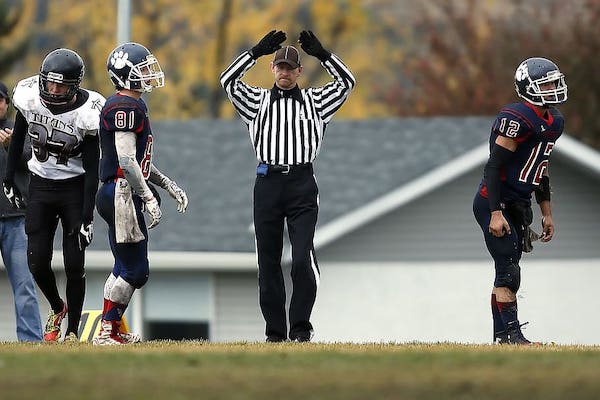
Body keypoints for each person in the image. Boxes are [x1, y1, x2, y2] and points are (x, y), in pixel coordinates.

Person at [220, 30, 355, 342]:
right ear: (273, 69)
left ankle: (300, 330)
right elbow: (228, 81)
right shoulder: (257, 101)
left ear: (299, 71)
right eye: (279, 67)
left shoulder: (316, 101)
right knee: (267, 262)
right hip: (267, 183)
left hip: (301, 184)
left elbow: (347, 83)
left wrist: (323, 54)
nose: (283, 72)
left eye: (289, 68)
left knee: (302, 258)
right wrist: (255, 52)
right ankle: (275, 334)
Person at [3, 49, 104, 343]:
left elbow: (92, 168)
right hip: (41, 185)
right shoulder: (29, 96)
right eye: (50, 83)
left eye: (61, 85)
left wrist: (87, 216)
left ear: (75, 85)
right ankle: (57, 307)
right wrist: (9, 178)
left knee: (74, 263)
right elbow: (19, 134)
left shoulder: (88, 112)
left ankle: (72, 331)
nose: (54, 90)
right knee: (36, 261)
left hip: (74, 187)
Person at [93, 42, 188, 345]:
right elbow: (125, 160)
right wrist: (147, 197)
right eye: (142, 69)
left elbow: (139, 161)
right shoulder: (125, 106)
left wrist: (167, 184)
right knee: (136, 271)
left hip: (117, 190)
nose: (149, 74)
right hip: (121, 193)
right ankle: (107, 329)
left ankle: (113, 329)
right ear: (124, 75)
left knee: (123, 266)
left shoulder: (135, 105)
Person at [473, 57, 567, 345]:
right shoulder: (517, 118)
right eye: (546, 84)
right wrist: (496, 212)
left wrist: (546, 213)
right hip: (495, 201)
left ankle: (502, 337)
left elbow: (541, 169)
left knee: (507, 267)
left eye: (554, 82)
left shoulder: (554, 122)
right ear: (528, 88)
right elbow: (493, 167)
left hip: (518, 202)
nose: (553, 88)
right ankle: (512, 336)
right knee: (508, 271)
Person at [0, 81, 43, 341]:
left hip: (17, 220)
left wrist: (10, 147)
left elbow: (36, 163)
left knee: (24, 285)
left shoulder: (20, 130)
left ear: (7, 103)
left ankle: (30, 341)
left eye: (0, 99)